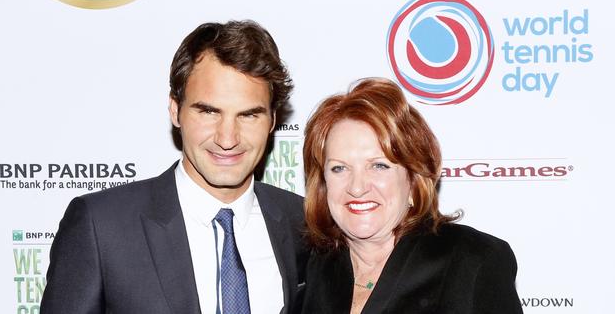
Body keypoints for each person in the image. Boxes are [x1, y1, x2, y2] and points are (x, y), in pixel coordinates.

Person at [41, 20, 307, 314]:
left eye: (248, 115)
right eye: (208, 111)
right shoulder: (101, 227)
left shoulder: (304, 223)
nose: (227, 138)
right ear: (175, 110)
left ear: (272, 120)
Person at [300, 78, 522, 314]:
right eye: (339, 168)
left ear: (414, 179)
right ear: (323, 184)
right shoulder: (317, 268)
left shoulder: (473, 261)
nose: (357, 187)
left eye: (379, 166)